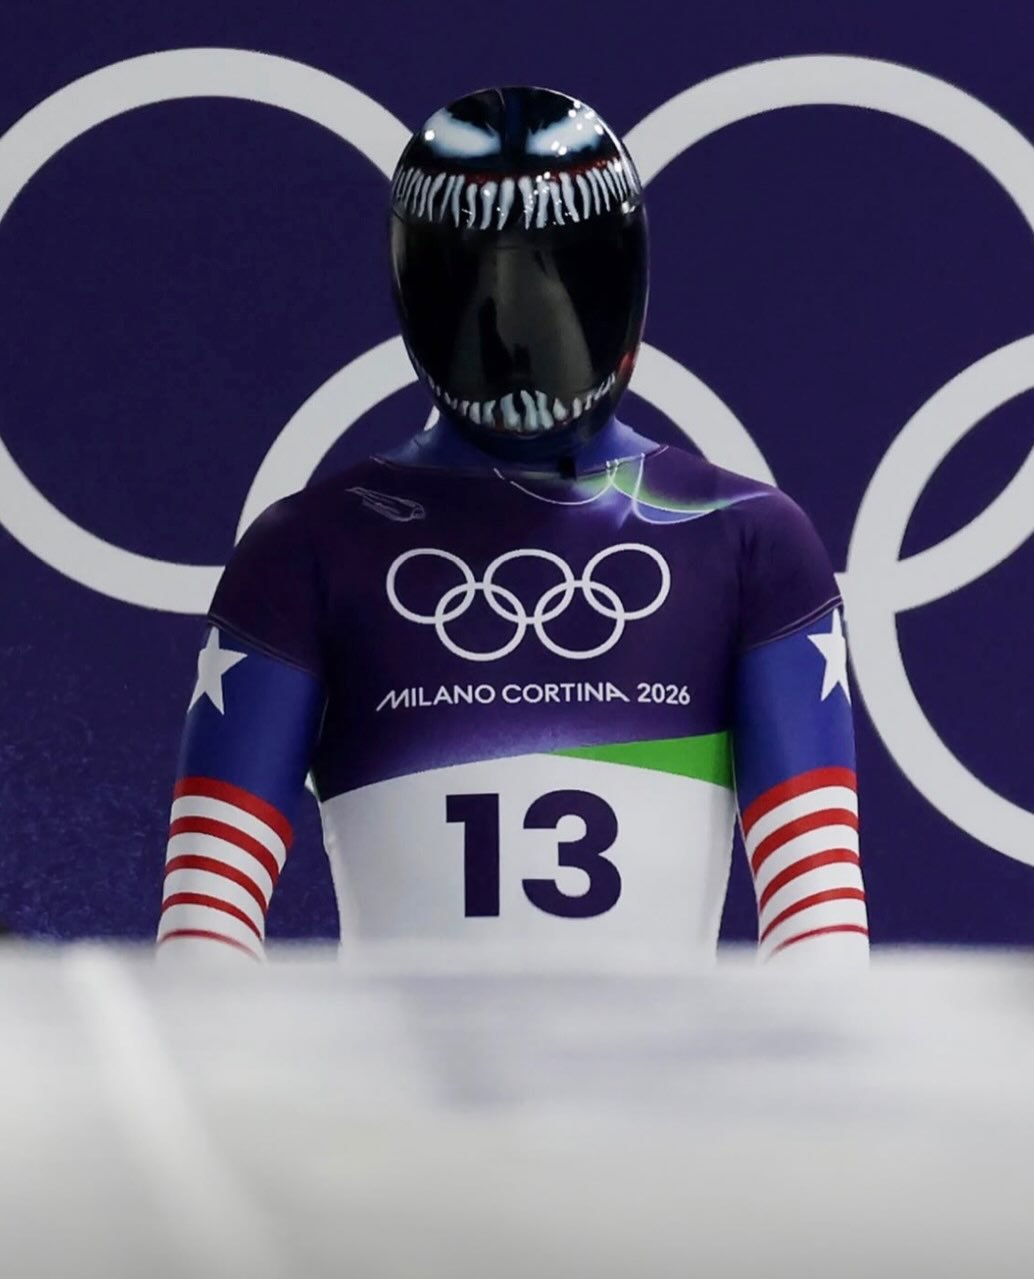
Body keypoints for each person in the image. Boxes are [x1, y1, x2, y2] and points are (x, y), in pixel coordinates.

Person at [157, 87, 867, 964]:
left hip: (647, 1062)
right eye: (481, 288)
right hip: (418, 1061)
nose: (521, 330)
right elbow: (207, 928)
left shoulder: (750, 542)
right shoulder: (304, 552)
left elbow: (818, 926)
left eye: (561, 285)